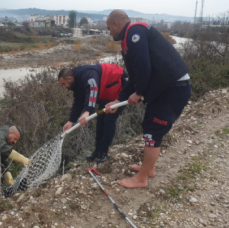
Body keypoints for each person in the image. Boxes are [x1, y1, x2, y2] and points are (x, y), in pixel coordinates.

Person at [105, 10, 191, 188]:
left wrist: (138, 93)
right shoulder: (129, 38)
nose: (109, 33)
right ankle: (148, 168)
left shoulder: (135, 33)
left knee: (153, 130)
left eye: (108, 28)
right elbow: (134, 77)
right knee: (150, 127)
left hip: (173, 89)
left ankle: (142, 178)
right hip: (166, 89)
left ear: (116, 24)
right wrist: (118, 100)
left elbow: (144, 66)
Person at [58, 64, 128, 163]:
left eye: (63, 83)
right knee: (100, 122)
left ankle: (103, 152)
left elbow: (93, 88)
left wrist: (87, 112)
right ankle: (98, 151)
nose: (64, 87)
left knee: (109, 121)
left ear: (69, 78)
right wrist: (71, 121)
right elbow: (78, 101)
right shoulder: (76, 82)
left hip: (118, 90)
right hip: (106, 95)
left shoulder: (87, 73)